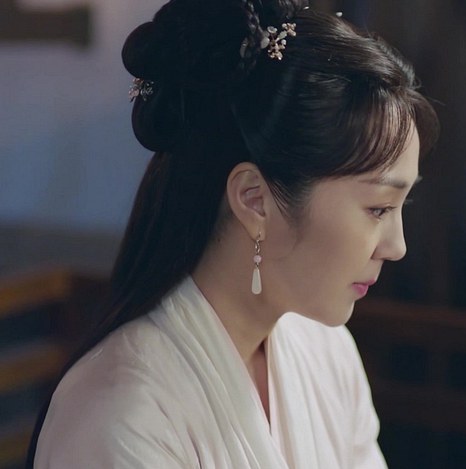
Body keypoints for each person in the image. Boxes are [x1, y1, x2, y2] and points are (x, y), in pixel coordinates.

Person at [28, 0, 438, 467]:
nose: (397, 247)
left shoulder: (325, 349)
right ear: (254, 199)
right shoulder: (121, 416)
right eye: (378, 208)